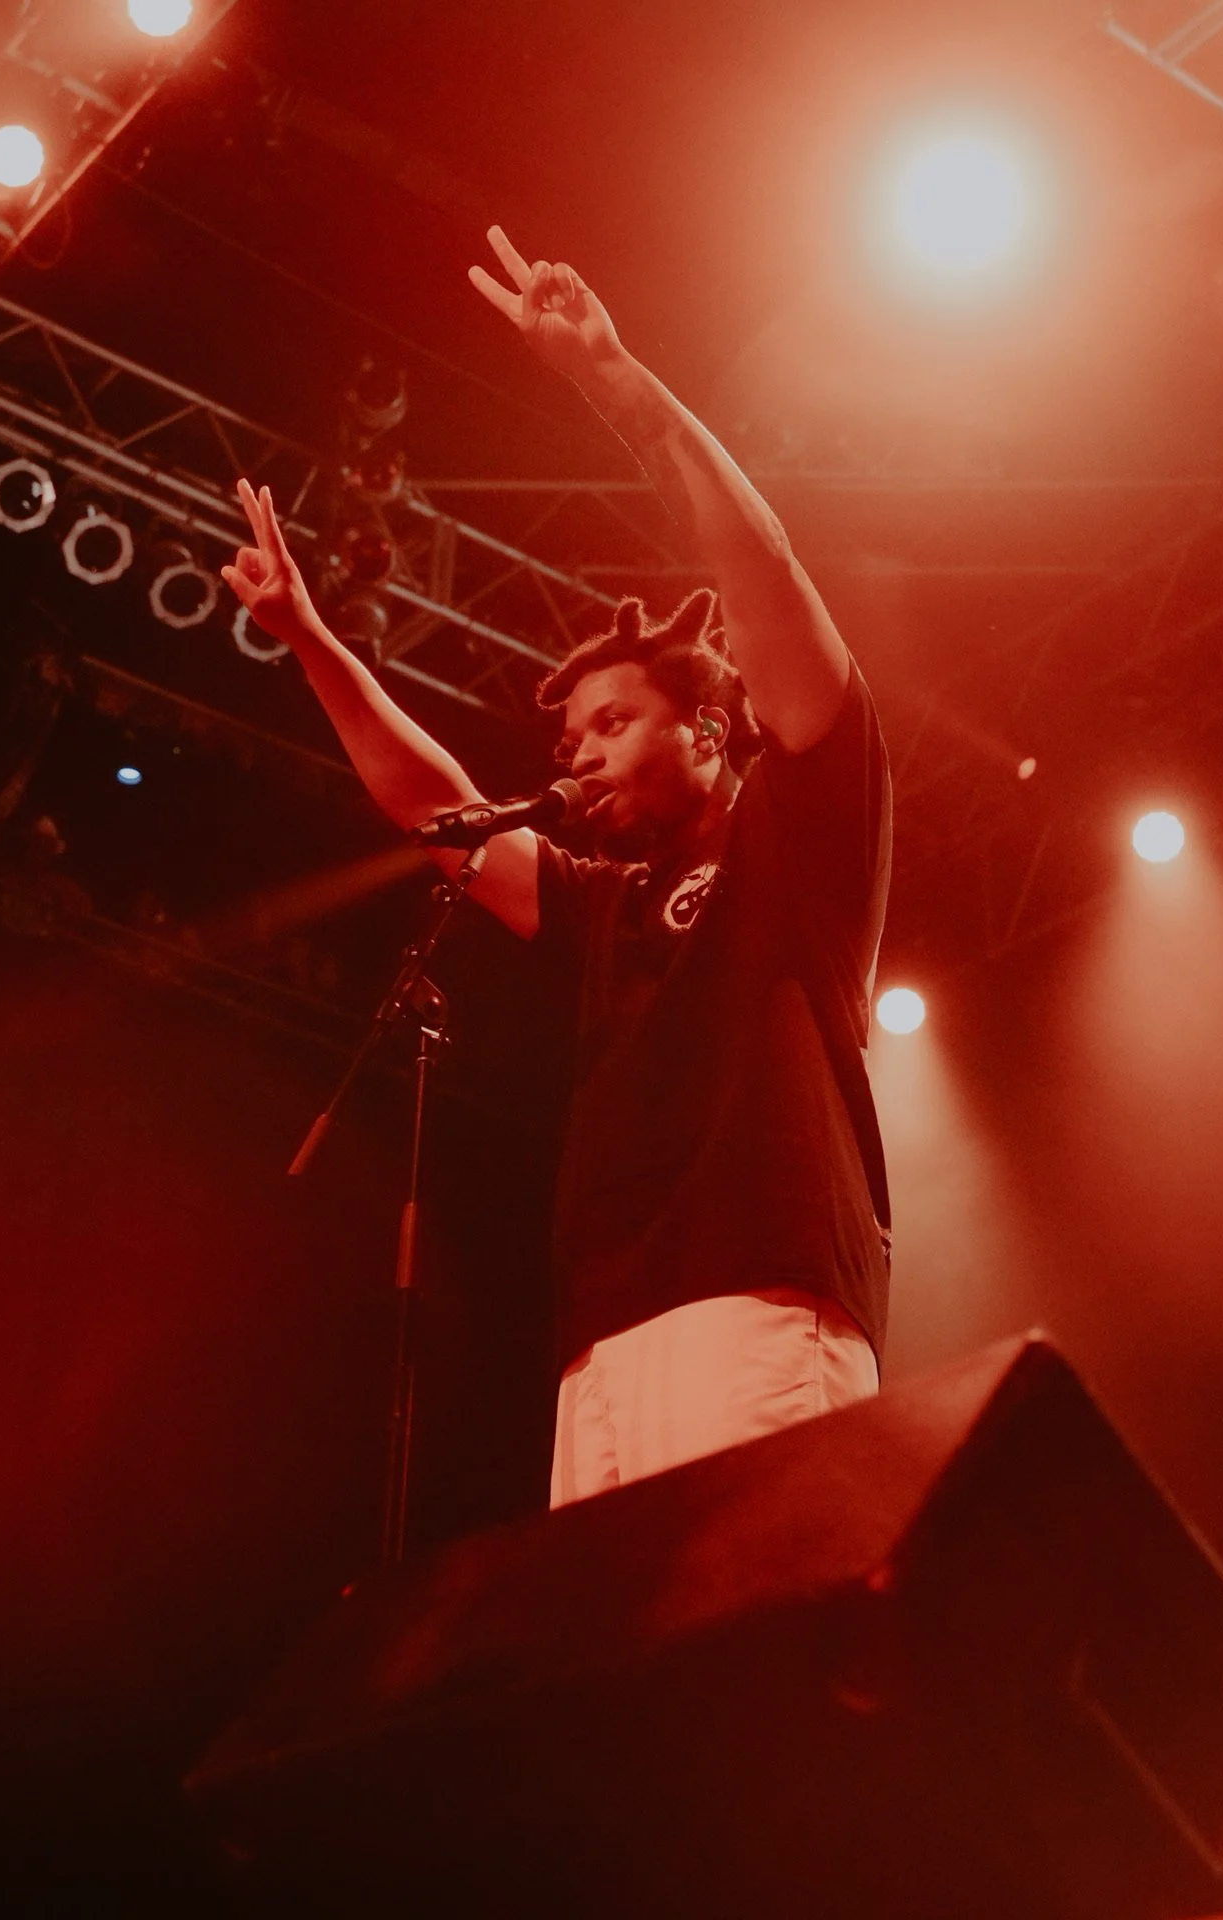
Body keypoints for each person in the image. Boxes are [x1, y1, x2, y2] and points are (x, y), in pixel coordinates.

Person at [222, 226, 893, 1509]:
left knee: (743, 1630)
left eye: (612, 722)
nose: (578, 753)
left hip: (756, 1300)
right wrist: (307, 637)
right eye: (569, 736)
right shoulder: (601, 903)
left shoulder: (800, 828)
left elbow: (765, 575)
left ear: (709, 731)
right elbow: (439, 808)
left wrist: (617, 387)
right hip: (601, 1336)